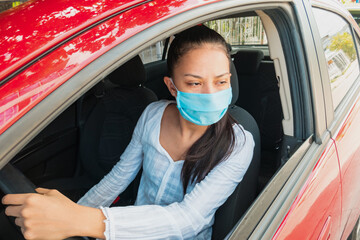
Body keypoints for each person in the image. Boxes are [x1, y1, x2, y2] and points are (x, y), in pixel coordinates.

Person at [2, 25, 254, 240]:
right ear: (172, 86)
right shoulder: (152, 115)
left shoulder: (238, 143)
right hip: (130, 229)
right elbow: (118, 178)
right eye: (194, 83)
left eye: (221, 81)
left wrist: (79, 219)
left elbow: (187, 219)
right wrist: (70, 216)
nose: (211, 94)